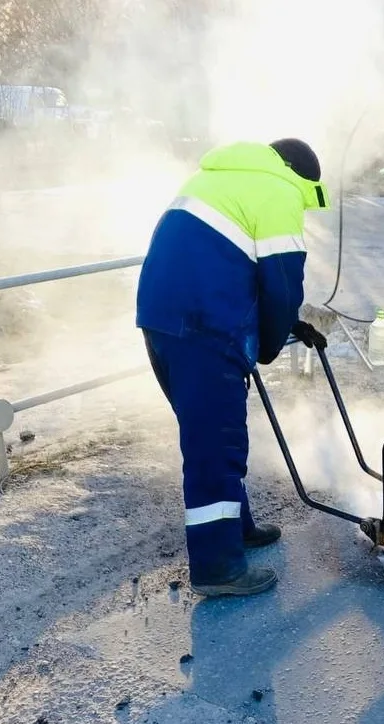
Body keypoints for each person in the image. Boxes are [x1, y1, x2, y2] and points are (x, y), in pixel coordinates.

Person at [135, 138, 330, 597]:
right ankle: (217, 567)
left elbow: (226, 264)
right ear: (298, 176)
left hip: (165, 322)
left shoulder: (218, 178)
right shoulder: (278, 190)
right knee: (214, 445)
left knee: (214, 434)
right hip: (203, 327)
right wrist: (266, 344)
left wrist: (272, 332)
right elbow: (282, 285)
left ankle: (236, 528)